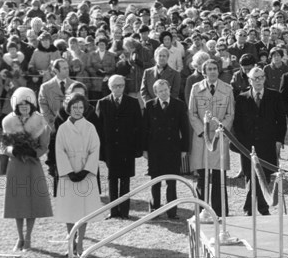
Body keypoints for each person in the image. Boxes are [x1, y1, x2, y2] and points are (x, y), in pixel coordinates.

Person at [1, 87, 52, 252]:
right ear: (16, 104)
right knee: (18, 203)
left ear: (32, 104)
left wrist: (33, 152)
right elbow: (4, 145)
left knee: (32, 203)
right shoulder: (8, 122)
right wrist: (12, 150)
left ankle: (29, 237)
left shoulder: (40, 122)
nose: (24, 106)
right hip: (15, 165)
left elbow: (44, 146)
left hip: (32, 164)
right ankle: (20, 238)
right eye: (21, 103)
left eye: (27, 103)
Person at [54, 93, 103, 256]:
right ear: (68, 108)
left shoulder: (90, 127)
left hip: (85, 172)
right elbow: (59, 151)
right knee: (69, 208)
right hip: (68, 173)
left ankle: (81, 243)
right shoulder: (62, 128)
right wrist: (68, 171)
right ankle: (71, 240)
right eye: (74, 107)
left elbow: (95, 149)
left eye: (81, 107)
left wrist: (86, 169)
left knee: (84, 209)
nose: (77, 110)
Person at [233, 67, 286, 216]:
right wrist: (243, 145)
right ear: (249, 80)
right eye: (254, 78)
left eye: (260, 77)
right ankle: (249, 210)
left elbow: (281, 121)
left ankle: (263, 208)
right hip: (248, 146)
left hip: (268, 145)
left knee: (265, 177)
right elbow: (237, 124)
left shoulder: (275, 96)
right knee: (251, 178)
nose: (257, 81)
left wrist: (278, 141)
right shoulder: (242, 98)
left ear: (264, 78)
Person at [188, 59, 235, 217]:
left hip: (219, 137)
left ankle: (220, 211)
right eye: (209, 69)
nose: (213, 71)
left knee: (218, 177)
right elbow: (192, 113)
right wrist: (202, 131)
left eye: (215, 68)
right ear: (204, 72)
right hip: (201, 138)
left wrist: (220, 129)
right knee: (202, 177)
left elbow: (230, 114)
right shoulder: (196, 88)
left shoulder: (227, 89)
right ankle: (202, 211)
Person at [96, 75, 143, 219]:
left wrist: (137, 148)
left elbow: (139, 127)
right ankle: (113, 210)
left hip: (127, 147)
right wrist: (101, 151)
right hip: (110, 148)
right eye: (115, 86)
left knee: (125, 180)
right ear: (110, 87)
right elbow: (98, 128)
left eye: (121, 85)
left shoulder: (133, 102)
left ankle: (124, 211)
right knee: (112, 179)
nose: (118, 88)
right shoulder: (102, 103)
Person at [143, 79, 189, 219]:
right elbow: (145, 129)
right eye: (160, 91)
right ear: (155, 92)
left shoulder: (179, 105)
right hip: (155, 149)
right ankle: (154, 210)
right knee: (155, 181)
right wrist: (144, 149)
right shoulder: (149, 105)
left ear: (169, 89)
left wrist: (184, 149)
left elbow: (185, 129)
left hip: (173, 148)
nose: (163, 93)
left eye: (165, 89)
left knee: (172, 181)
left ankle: (172, 211)